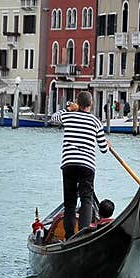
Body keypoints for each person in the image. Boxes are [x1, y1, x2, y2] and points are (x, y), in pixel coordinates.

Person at [49, 90, 109, 237]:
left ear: (78, 103)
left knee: (70, 202)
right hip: (87, 166)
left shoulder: (68, 116)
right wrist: (107, 144)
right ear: (91, 104)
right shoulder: (96, 121)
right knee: (86, 200)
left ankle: (70, 237)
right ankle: (83, 235)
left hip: (69, 164)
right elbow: (103, 149)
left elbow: (53, 118)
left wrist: (68, 109)